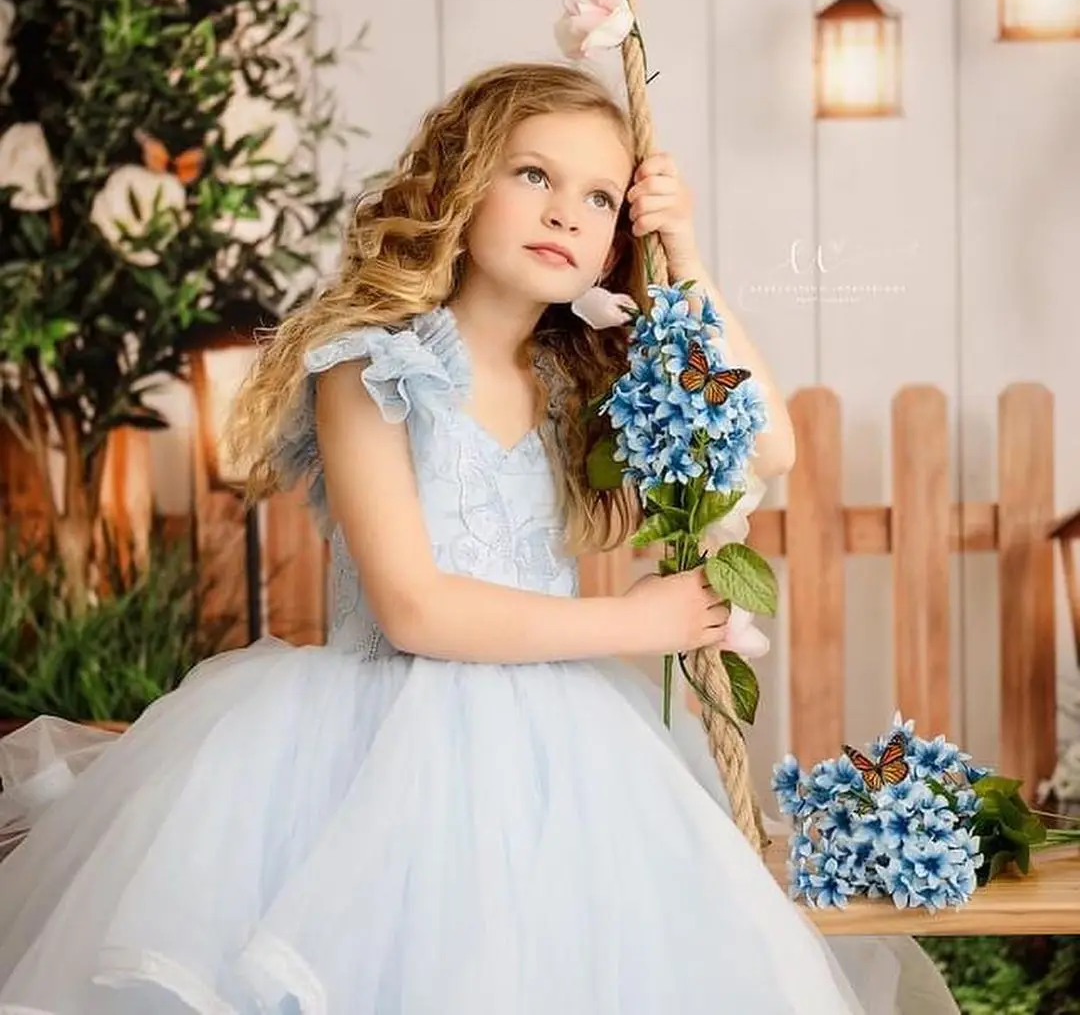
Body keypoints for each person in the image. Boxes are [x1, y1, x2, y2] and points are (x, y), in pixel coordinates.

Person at [0, 62, 956, 1014]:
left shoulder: (577, 393)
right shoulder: (370, 367)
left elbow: (769, 444)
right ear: (463, 181)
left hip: (562, 761)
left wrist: (688, 257)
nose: (566, 214)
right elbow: (414, 608)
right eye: (534, 175)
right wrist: (634, 623)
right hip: (373, 757)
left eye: (601, 199)